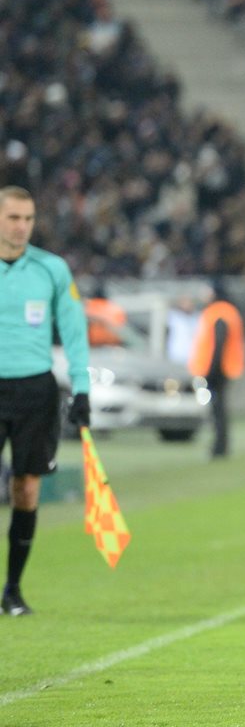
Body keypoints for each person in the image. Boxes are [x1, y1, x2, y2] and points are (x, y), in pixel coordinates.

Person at [0, 186, 90, 616]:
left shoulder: (51, 270)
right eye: (13, 217)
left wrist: (83, 387)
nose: (21, 227)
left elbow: (74, 331)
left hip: (35, 390)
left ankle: (13, 591)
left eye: (28, 219)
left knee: (27, 487)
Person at [188, 280, 244, 459]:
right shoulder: (227, 311)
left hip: (218, 368)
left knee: (217, 409)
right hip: (224, 367)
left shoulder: (219, 312)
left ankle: (219, 446)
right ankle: (221, 445)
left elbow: (219, 342)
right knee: (219, 408)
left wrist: (212, 368)